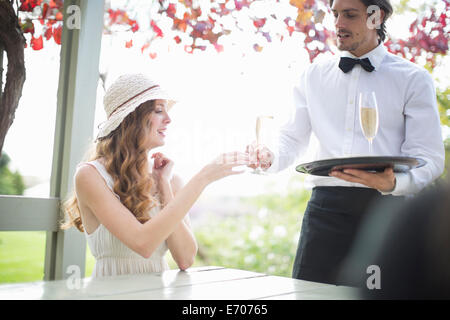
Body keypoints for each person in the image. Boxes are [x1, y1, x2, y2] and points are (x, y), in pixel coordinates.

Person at [247, 0, 445, 285]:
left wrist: (394, 184)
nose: (338, 24)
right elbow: (291, 139)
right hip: (324, 212)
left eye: (350, 15)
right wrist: (269, 156)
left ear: (376, 17)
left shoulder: (413, 79)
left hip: (386, 212)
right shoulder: (312, 76)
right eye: (336, 14)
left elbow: (430, 158)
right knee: (309, 295)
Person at [61, 73, 249, 277]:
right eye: (159, 111)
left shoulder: (168, 179)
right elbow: (143, 243)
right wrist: (202, 178)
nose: (169, 119)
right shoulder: (90, 175)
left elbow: (185, 259)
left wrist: (164, 186)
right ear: (131, 119)